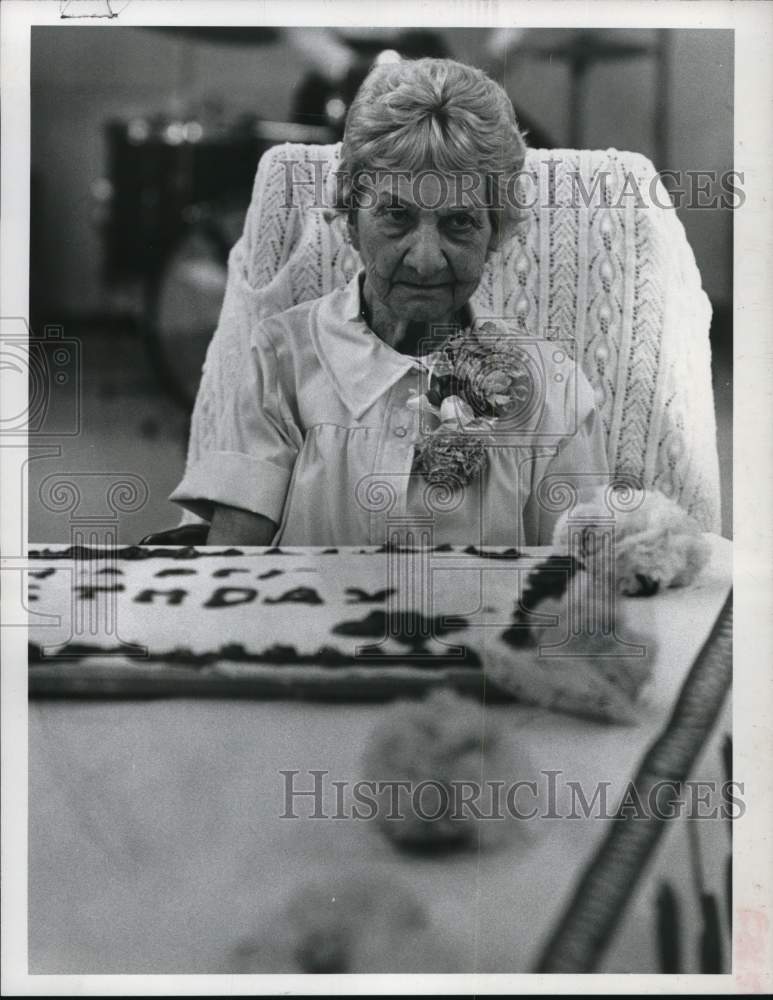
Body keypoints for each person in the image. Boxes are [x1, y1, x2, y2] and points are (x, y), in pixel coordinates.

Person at [170, 58, 608, 546]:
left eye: (458, 223)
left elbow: (582, 586)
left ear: (496, 232)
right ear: (351, 219)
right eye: (396, 216)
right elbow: (233, 570)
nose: (425, 261)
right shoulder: (282, 361)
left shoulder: (555, 394)